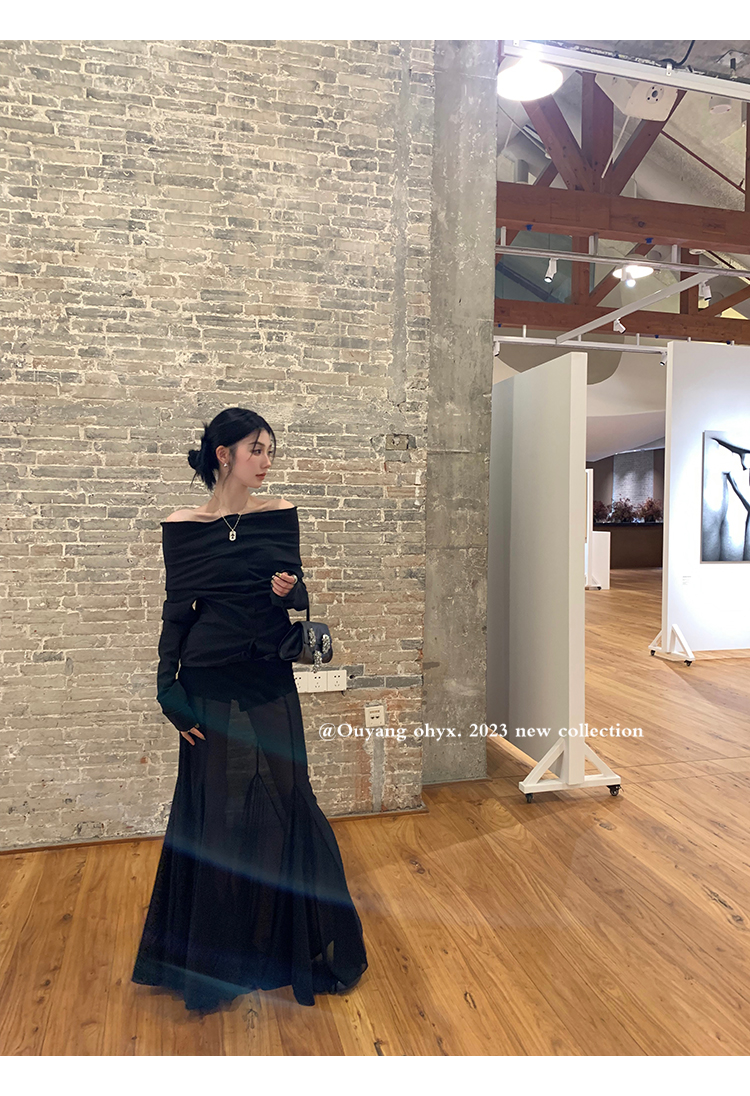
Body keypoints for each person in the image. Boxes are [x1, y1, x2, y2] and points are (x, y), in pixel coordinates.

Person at [131, 407, 368, 1012]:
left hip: (267, 674)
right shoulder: (182, 526)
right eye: (256, 449)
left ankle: (295, 947)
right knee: (212, 809)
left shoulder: (280, 514)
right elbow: (176, 613)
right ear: (224, 455)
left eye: (269, 450)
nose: (265, 461)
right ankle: (212, 962)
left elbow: (296, 596)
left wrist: (292, 591)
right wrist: (166, 690)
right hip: (206, 678)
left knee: (291, 795)